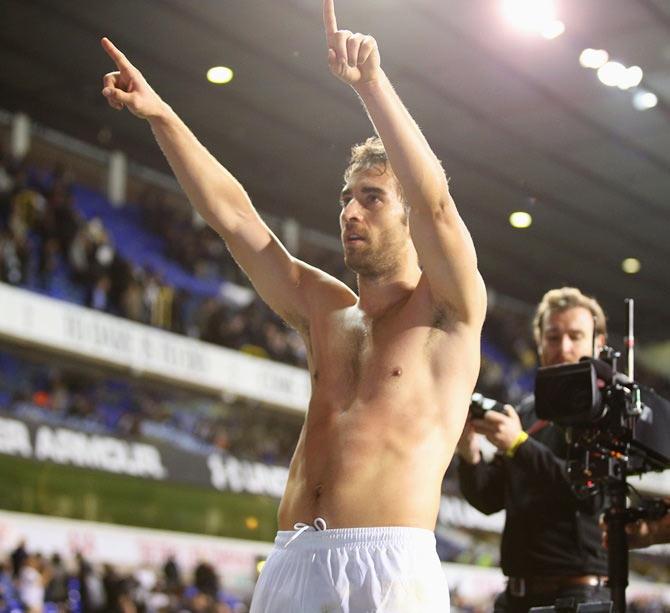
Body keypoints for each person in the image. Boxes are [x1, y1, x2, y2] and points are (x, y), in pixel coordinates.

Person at [100, 0, 486, 610]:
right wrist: (161, 115)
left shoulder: (449, 310)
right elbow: (234, 219)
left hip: (389, 570)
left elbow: (435, 202)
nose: (350, 212)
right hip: (290, 562)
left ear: (407, 212)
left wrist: (371, 85)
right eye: (345, 198)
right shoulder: (327, 310)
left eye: (372, 198)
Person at [457, 287, 611, 613]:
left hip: (575, 598)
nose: (563, 347)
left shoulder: (607, 412)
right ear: (539, 341)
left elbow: (588, 494)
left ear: (598, 343)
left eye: (576, 336)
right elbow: (489, 499)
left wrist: (519, 444)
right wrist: (469, 453)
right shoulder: (527, 412)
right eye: (553, 337)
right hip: (514, 597)